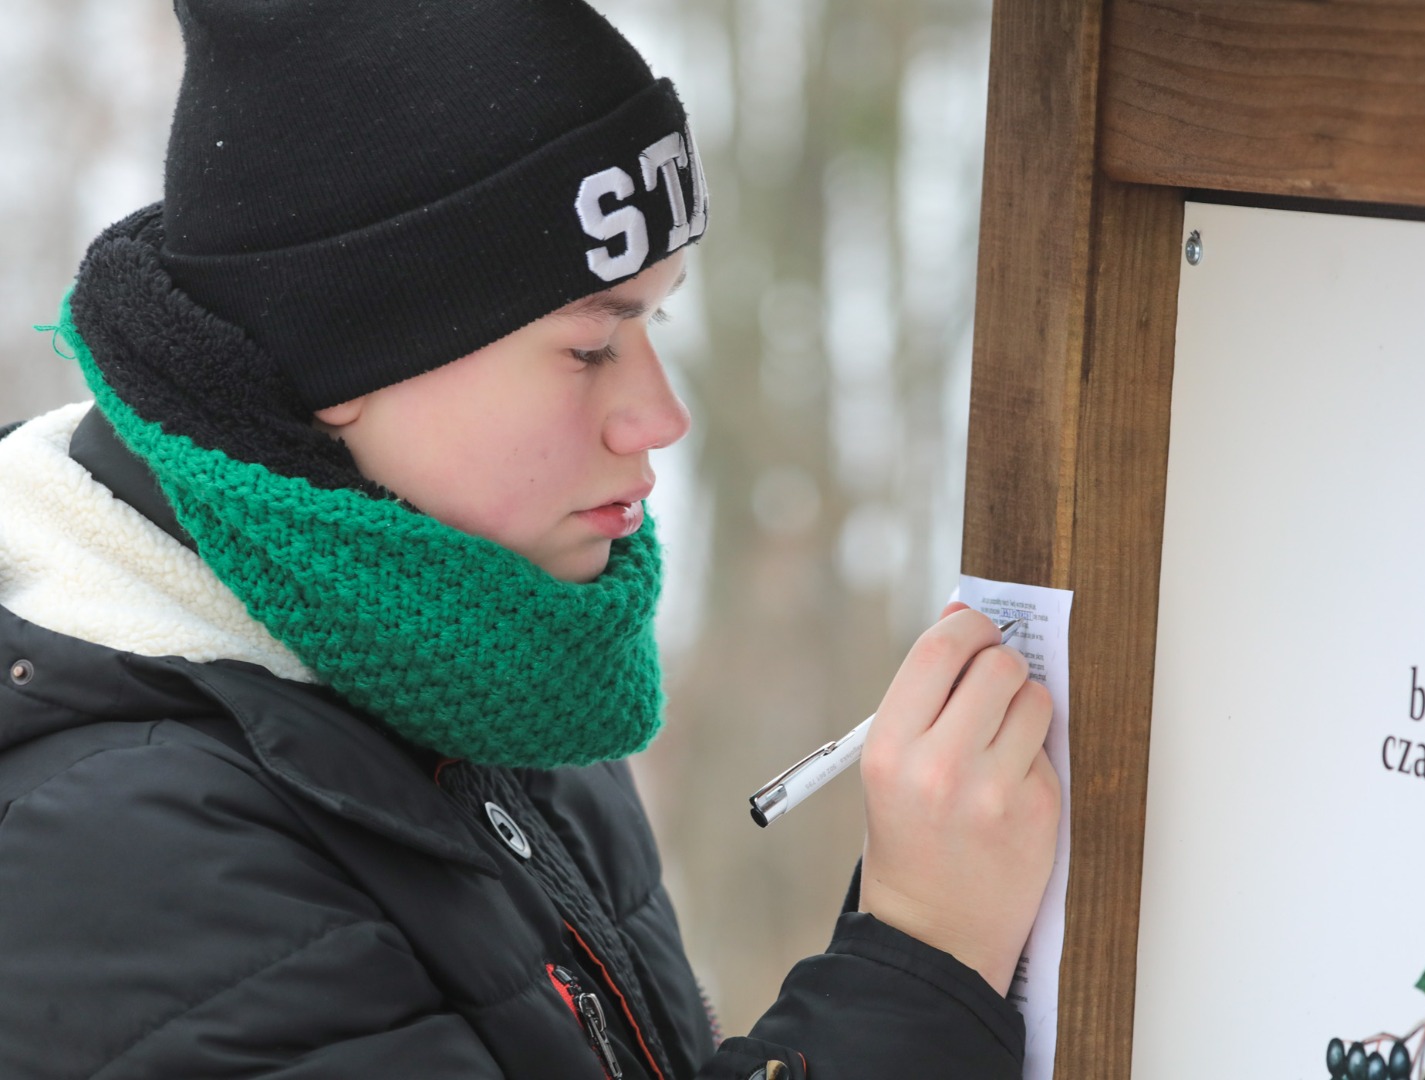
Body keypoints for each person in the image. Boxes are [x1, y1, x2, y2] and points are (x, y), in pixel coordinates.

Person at [0, 1, 1060, 1077]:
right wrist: (919, 965)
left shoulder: (487, 656)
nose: (659, 416)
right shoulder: (136, 858)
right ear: (345, 364)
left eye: (656, 320)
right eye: (592, 344)